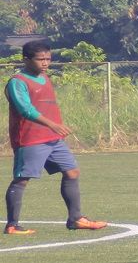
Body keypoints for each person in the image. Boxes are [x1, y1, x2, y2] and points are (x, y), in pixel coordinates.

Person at [5, 40, 107, 235]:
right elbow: (25, 109)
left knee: (72, 172)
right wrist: (52, 124)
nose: (45, 63)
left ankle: (76, 219)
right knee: (22, 179)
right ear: (26, 59)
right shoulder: (18, 81)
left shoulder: (45, 77)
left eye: (48, 59)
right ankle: (12, 225)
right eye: (40, 59)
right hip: (30, 139)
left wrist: (55, 127)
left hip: (53, 139)